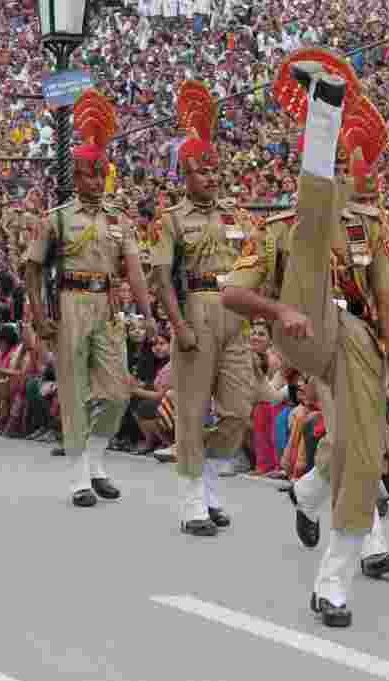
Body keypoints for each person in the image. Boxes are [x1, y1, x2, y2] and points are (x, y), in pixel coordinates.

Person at [222, 50, 389, 628]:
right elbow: (232, 294)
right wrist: (279, 308)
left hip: (357, 344)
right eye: (358, 162)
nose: (370, 173)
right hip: (303, 326)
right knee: (310, 234)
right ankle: (323, 110)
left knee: (362, 456)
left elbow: (387, 303)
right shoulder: (282, 232)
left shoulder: (375, 229)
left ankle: (332, 578)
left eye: (368, 166)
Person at [26, 90, 155, 508]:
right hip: (69, 304)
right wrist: (39, 316)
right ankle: (81, 476)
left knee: (118, 392)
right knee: (75, 389)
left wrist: (148, 312)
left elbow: (133, 268)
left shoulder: (119, 219)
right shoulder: (57, 218)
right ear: (76, 176)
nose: (96, 182)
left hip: (108, 307)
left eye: (101, 174)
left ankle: (96, 459)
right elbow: (33, 268)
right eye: (88, 175)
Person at [150, 81, 255, 536]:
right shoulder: (171, 219)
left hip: (236, 312)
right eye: (201, 171)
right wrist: (178, 325)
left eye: (215, 170)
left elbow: (256, 262)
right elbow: (159, 278)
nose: (211, 177)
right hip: (195, 309)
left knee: (237, 412)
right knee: (192, 411)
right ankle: (194, 499)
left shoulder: (236, 215)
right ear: (184, 176)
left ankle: (207, 476)